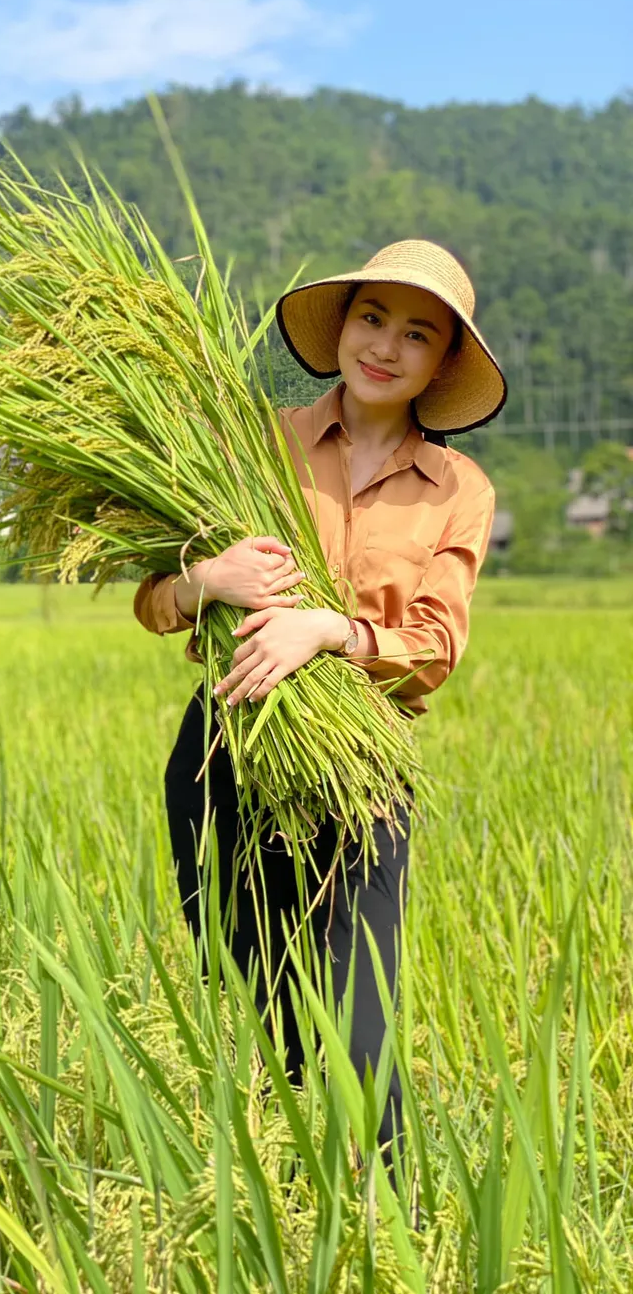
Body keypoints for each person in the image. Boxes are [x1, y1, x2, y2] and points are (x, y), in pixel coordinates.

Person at [133, 239, 505, 1175]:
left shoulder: (458, 490)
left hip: (360, 764)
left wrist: (330, 631)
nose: (384, 345)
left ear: (444, 361)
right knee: (261, 995)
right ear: (341, 326)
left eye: (416, 333)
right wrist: (204, 580)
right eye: (371, 317)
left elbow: (435, 646)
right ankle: (291, 1198)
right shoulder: (253, 440)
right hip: (225, 748)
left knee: (359, 1009)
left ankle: (389, 1217)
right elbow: (148, 600)